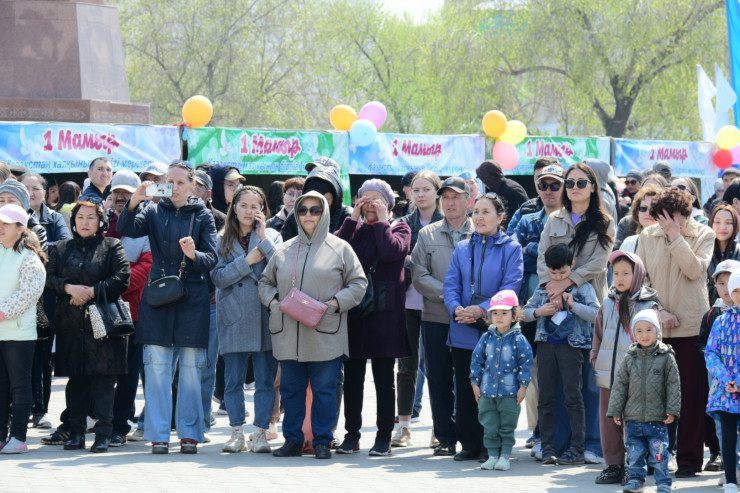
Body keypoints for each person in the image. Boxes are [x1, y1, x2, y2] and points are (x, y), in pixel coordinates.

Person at [117, 161, 218, 455]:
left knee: (190, 371)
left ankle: (190, 434)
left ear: (192, 186)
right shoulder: (152, 210)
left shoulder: (202, 214)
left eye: (180, 183)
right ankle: (158, 435)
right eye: (169, 182)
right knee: (157, 369)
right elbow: (125, 228)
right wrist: (136, 199)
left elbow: (211, 258)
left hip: (192, 298)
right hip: (159, 297)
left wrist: (193, 254)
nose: (174, 188)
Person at [259, 192, 367, 459]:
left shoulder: (340, 248)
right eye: (303, 209)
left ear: (325, 213)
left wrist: (334, 304)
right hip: (289, 333)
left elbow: (359, 283)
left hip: (324, 332)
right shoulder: (284, 249)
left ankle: (322, 440)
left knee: (325, 390)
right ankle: (293, 441)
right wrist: (274, 303)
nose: (308, 215)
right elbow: (265, 282)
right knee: (291, 391)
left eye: (315, 210)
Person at [635, 186, 714, 477]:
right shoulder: (647, 235)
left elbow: (695, 270)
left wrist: (676, 237)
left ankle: (690, 460)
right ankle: (656, 458)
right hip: (655, 330)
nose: (667, 222)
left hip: (691, 328)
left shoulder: (704, 234)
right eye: (662, 217)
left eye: (674, 217)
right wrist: (656, 310)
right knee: (654, 399)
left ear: (685, 213)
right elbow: (640, 281)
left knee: (691, 398)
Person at [46, 195, 131, 453]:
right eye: (80, 217)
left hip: (103, 323)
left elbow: (122, 277)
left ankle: (103, 433)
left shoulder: (112, 245)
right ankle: (75, 432)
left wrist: (91, 292)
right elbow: (48, 278)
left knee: (103, 380)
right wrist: (69, 288)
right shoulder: (61, 248)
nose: (85, 222)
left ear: (100, 221)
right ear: (73, 221)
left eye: (91, 217)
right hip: (70, 324)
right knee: (77, 380)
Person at [443, 192, 523, 462]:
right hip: (463, 328)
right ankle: (469, 443)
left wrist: (484, 309)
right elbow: (451, 284)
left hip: (496, 330)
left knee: (494, 390)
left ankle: (492, 445)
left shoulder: (512, 248)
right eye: (476, 211)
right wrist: (456, 308)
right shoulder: (463, 248)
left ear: (500, 217)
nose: (479, 217)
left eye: (486, 212)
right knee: (466, 388)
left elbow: (511, 286)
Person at [335, 179, 411, 456]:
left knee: (383, 379)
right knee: (353, 378)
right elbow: (335, 249)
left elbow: (391, 253)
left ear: (388, 204)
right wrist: (353, 217)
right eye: (363, 198)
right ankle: (351, 434)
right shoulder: (354, 228)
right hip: (356, 312)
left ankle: (384, 437)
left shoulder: (400, 228)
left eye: (376, 199)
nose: (369, 203)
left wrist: (381, 222)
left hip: (386, 315)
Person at [212, 185, 282, 453]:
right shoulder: (221, 239)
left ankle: (261, 432)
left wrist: (263, 239)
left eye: (255, 206)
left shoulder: (272, 236)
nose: (249, 211)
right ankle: (236, 432)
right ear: (234, 208)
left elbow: (282, 268)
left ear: (263, 210)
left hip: (264, 312)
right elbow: (218, 278)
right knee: (233, 380)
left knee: (265, 379)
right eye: (244, 205)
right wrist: (248, 261)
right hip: (234, 313)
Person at [410, 177, 475, 456]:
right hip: (436, 315)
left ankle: (470, 438)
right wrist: (449, 297)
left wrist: (466, 304)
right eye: (446, 197)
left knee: (468, 379)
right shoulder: (427, 234)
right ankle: (445, 437)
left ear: (468, 201)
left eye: (456, 197)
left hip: (471, 318)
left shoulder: (480, 231)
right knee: (438, 379)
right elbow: (419, 274)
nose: (450, 203)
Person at [523, 243, 600, 465]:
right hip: (546, 346)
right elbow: (524, 313)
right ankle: (548, 446)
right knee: (545, 397)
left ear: (572, 265)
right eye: (553, 272)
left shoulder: (584, 288)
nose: (557, 276)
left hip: (572, 348)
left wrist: (574, 306)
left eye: (563, 272)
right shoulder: (542, 288)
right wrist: (540, 311)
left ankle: (577, 447)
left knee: (573, 397)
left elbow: (597, 314)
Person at [590, 251, 659, 484]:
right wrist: (595, 357)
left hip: (636, 376)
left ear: (637, 274)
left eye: (626, 273)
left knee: (634, 423)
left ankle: (635, 465)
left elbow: (654, 340)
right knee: (609, 421)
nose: (619, 278)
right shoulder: (607, 303)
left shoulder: (648, 304)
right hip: (609, 375)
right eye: (616, 273)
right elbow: (598, 334)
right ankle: (614, 465)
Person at [512, 163, 565, 452]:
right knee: (530, 370)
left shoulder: (572, 221)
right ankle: (537, 430)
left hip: (563, 307)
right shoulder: (526, 220)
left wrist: (532, 249)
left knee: (557, 373)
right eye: (543, 185)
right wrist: (543, 254)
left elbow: (566, 260)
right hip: (529, 307)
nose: (548, 190)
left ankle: (559, 433)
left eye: (555, 185)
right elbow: (514, 254)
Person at [394, 171, 444, 446]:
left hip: (439, 300)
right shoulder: (401, 224)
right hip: (408, 301)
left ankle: (440, 427)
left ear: (437, 192)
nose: (421, 194)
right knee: (406, 365)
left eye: (427, 189)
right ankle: (404, 427)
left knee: (439, 365)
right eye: (416, 190)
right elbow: (394, 259)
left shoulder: (448, 223)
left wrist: (413, 261)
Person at [607, 309, 680, 493]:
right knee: (635, 454)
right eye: (639, 331)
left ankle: (663, 483)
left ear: (658, 331)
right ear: (633, 334)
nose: (644, 335)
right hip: (633, 419)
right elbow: (620, 385)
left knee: (659, 455)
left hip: (657, 419)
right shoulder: (629, 357)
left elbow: (673, 385)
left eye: (649, 329)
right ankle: (636, 481)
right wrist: (615, 410)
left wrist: (672, 410)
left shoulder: (666, 357)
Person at [104, 171, 152, 447]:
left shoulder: (146, 223)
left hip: (131, 311)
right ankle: (101, 420)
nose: (121, 197)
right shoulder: (101, 220)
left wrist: (111, 285)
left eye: (127, 192)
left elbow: (146, 267)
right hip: (100, 307)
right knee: (100, 369)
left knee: (127, 372)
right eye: (117, 192)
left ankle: (120, 425)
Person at [20, 172, 71, 429]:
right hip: (16, 295)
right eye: (26, 188)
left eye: (36, 188)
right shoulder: (10, 219)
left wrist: (29, 245)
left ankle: (40, 410)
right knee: (17, 356)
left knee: (42, 355)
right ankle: (16, 410)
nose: (32, 193)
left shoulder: (54, 218)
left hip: (46, 296)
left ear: (45, 192)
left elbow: (63, 247)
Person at [0, 204, 47, 454]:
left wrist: (2, 313)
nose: (1, 227)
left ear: (21, 228)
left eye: (6, 224)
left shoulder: (30, 257)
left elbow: (28, 294)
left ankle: (18, 437)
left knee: (19, 386)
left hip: (19, 334)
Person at [470, 289, 533, 471]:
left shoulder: (519, 340)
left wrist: (523, 387)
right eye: (495, 313)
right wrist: (475, 383)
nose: (499, 317)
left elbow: (526, 364)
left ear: (514, 316)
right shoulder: (486, 338)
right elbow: (477, 360)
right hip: (487, 392)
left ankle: (505, 456)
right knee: (489, 426)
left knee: (507, 426)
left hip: (510, 393)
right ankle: (492, 456)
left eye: (504, 313)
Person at [697, 259, 740, 475]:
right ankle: (729, 469)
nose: (726, 289)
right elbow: (705, 345)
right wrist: (724, 376)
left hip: (735, 380)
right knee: (724, 428)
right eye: (721, 284)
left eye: (731, 283)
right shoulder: (713, 316)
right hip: (721, 382)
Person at [191, 168, 224, 434]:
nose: (191, 190)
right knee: (173, 367)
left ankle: (201, 421)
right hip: (177, 301)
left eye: (197, 186)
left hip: (210, 300)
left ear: (208, 193)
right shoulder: (167, 214)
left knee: (206, 366)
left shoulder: (221, 221)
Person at [706, 270, 740, 493]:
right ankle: (730, 480)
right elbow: (711, 352)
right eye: (735, 290)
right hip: (725, 391)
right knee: (727, 437)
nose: (739, 295)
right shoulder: (721, 320)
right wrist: (727, 379)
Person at [280, 158, 352, 241]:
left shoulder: (347, 216)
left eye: (320, 171)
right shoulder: (296, 213)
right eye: (311, 172)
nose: (315, 174)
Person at [507, 157, 560, 233]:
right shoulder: (524, 211)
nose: (547, 189)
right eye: (539, 178)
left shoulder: (572, 210)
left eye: (551, 180)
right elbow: (510, 238)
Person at [475, 160, 528, 230]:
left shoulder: (511, 189)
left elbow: (527, 210)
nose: (484, 183)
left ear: (488, 177)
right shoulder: (495, 189)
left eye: (483, 179)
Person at [708, 204, 740, 305]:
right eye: (717, 222)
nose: (722, 227)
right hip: (707, 310)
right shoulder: (702, 251)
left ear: (735, 225)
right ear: (710, 223)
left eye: (729, 223)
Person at [618, 186, 661, 253]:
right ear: (637, 212)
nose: (648, 213)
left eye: (653, 209)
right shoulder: (629, 243)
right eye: (643, 208)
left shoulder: (670, 243)